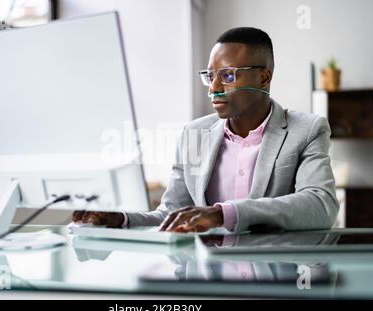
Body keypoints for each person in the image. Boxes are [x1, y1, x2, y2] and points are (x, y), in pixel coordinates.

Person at [73, 27, 339, 233]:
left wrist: (223, 213)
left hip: (274, 280)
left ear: (264, 78)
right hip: (207, 280)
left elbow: (320, 205)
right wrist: (123, 219)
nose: (214, 88)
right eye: (211, 76)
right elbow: (173, 213)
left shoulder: (306, 129)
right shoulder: (194, 134)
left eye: (228, 75)